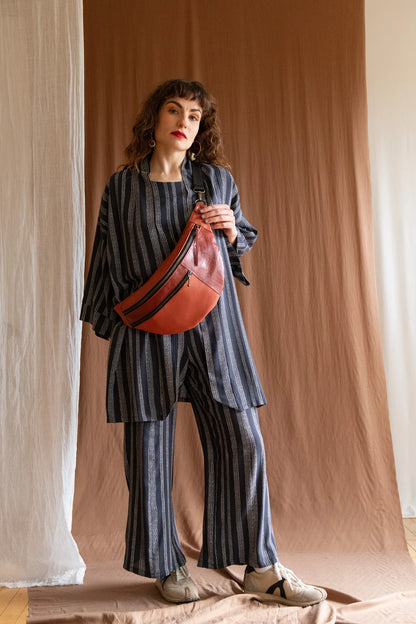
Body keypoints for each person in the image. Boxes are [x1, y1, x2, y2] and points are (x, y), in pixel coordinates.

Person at [80, 79, 327, 607]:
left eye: (194, 116)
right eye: (175, 110)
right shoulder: (122, 187)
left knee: (243, 438)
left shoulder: (215, 180)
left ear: (201, 128)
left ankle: (260, 566)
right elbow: (106, 259)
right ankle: (165, 564)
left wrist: (231, 230)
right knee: (148, 451)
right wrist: (115, 328)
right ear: (154, 119)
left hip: (215, 328)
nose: (184, 122)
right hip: (146, 332)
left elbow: (237, 247)